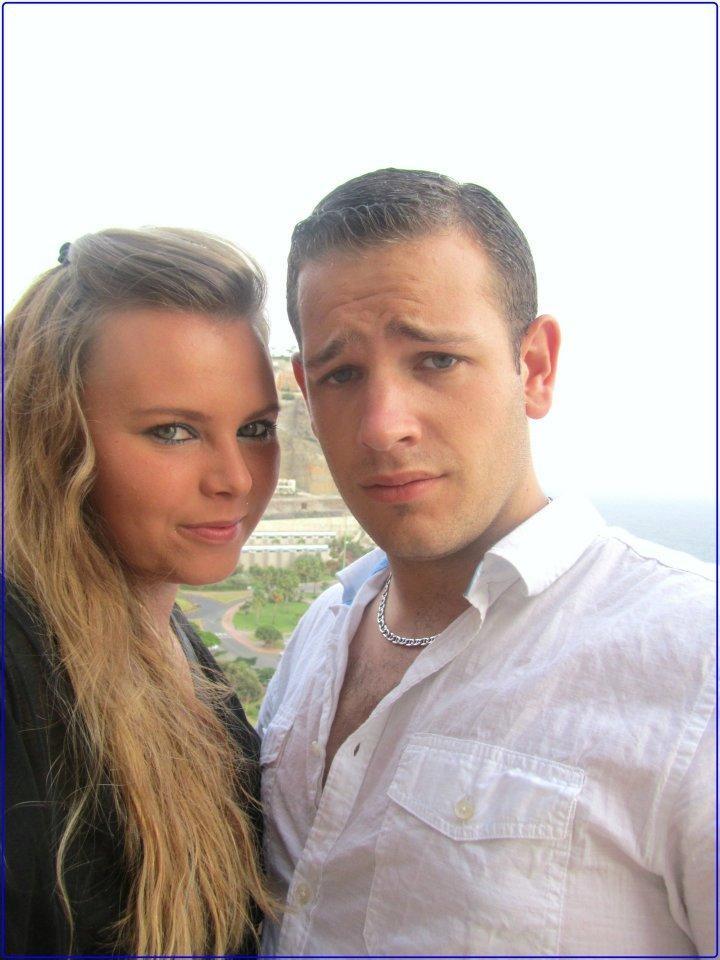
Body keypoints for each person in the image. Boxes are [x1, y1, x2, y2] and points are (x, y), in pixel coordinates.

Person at [258, 169, 716, 956]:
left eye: (435, 360)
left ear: (534, 367)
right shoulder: (317, 638)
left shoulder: (693, 666)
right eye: (342, 375)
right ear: (305, 389)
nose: (382, 426)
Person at [3, 228, 281, 956]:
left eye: (256, 428)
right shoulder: (16, 665)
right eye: (174, 432)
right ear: (56, 436)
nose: (236, 479)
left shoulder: (173, 644)